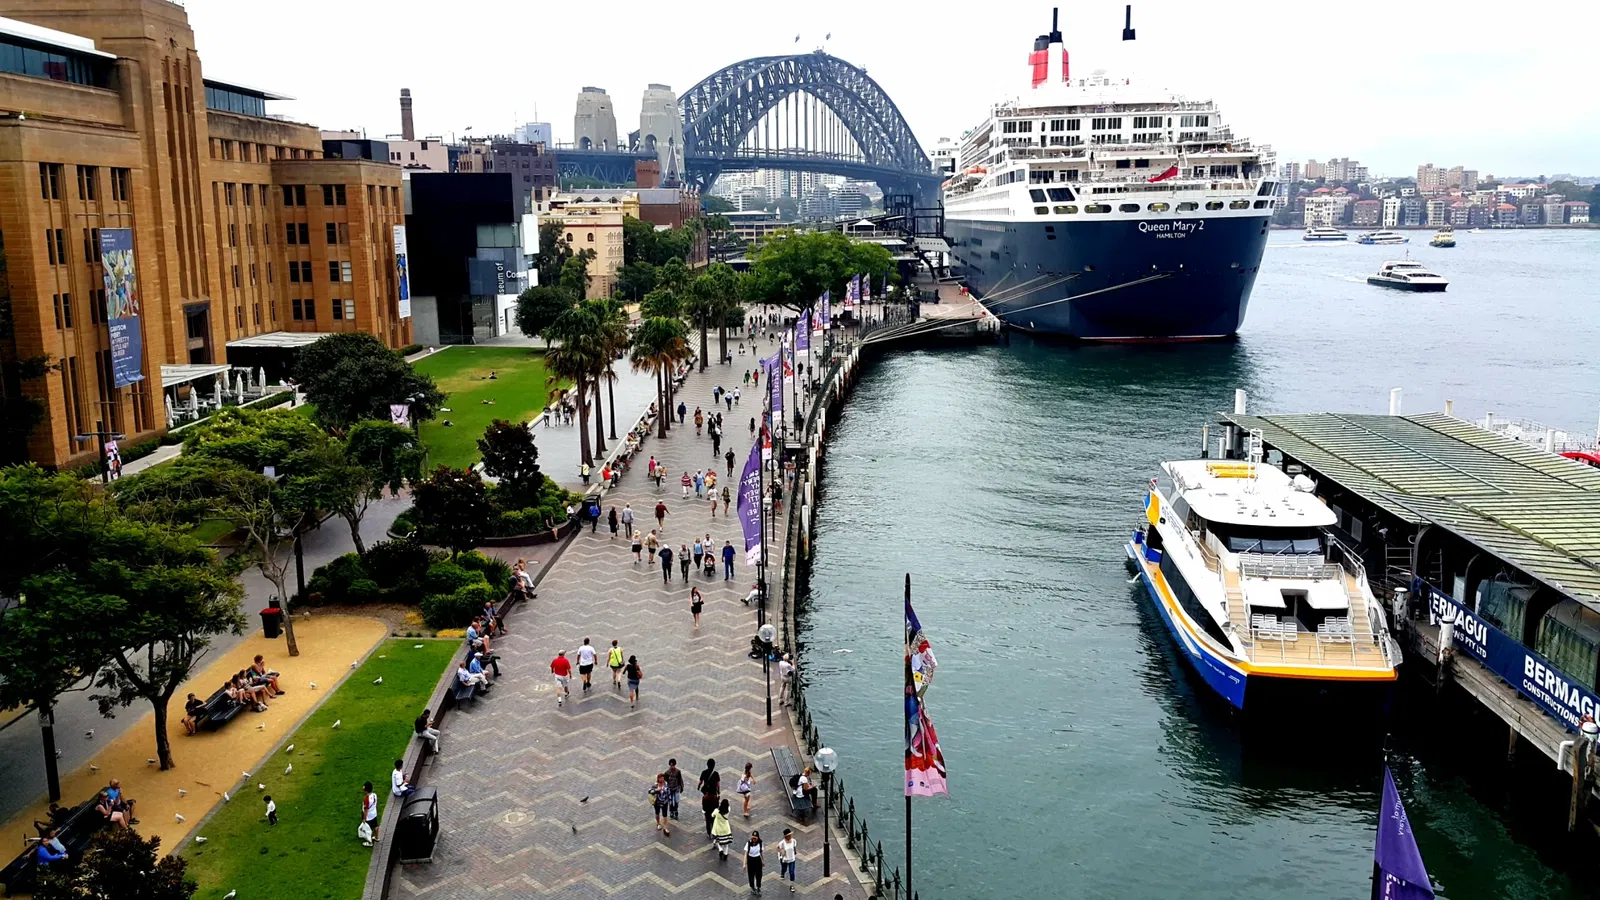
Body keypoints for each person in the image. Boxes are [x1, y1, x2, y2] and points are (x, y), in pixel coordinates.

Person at [698, 758, 721, 837]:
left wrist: (698, 787)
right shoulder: (716, 774)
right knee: (714, 813)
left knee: (707, 815)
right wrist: (718, 792)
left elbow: (700, 782)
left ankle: (709, 832)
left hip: (707, 795)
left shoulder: (704, 772)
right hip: (714, 796)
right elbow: (718, 785)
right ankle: (714, 829)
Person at [743, 830, 765, 895]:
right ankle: (752, 887)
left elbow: (761, 852)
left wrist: (763, 860)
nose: (754, 839)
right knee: (751, 875)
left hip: (758, 859)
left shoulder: (760, 843)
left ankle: (758, 887)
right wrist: (744, 864)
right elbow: (745, 854)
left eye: (755, 838)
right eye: (753, 838)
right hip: (750, 860)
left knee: (759, 875)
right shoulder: (748, 843)